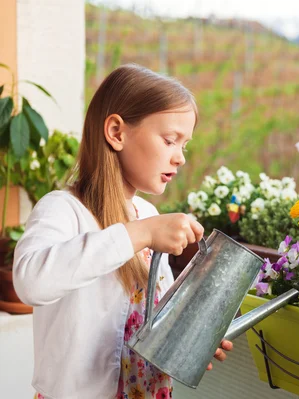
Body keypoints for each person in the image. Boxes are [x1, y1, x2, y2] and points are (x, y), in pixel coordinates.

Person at [13, 63, 233, 399]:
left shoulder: (147, 214)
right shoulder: (63, 210)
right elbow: (30, 282)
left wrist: (190, 335)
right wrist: (141, 233)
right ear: (117, 132)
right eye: (170, 140)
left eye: (184, 145)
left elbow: (154, 318)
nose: (180, 158)